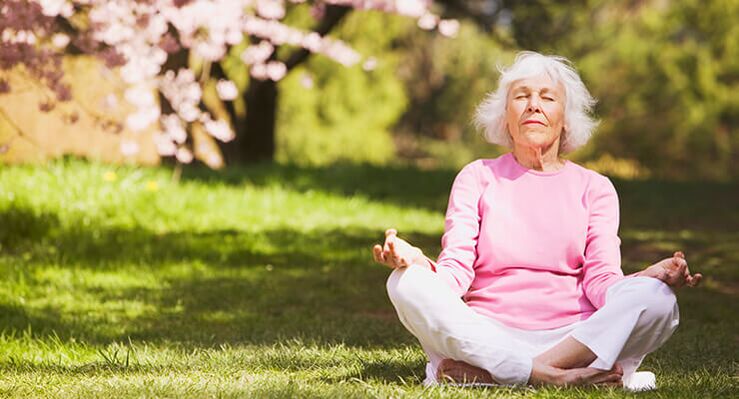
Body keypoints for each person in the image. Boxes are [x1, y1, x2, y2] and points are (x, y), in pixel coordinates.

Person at [371, 51, 702, 390]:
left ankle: (497, 376)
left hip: (575, 341)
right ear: (505, 117)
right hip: (487, 335)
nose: (533, 105)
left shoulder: (596, 188)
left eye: (547, 97)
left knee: (658, 298)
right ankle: (553, 378)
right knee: (404, 282)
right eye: (521, 96)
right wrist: (416, 262)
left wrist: (648, 277)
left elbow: (602, 281)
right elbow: (455, 273)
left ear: (566, 118)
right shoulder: (476, 177)